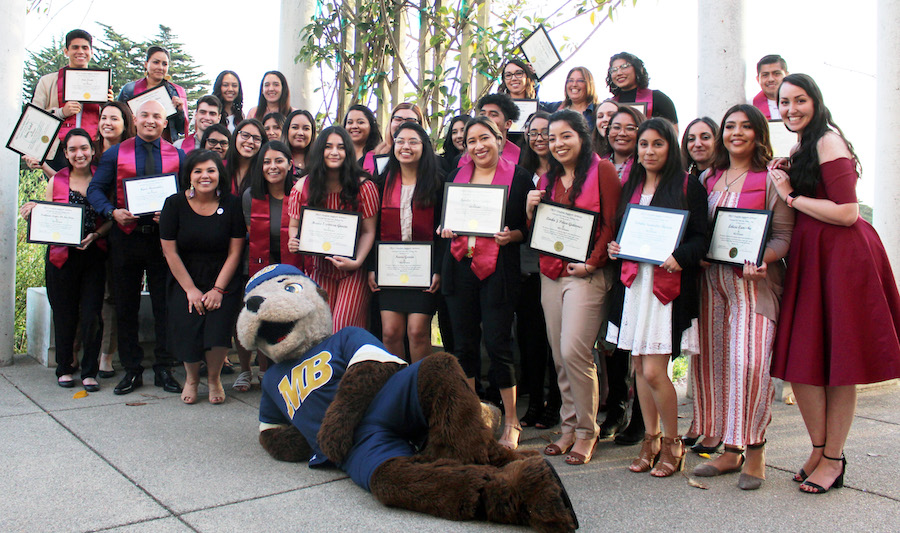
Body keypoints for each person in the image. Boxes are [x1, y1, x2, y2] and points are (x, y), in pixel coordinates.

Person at [769, 74, 900, 494]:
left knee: (839, 364)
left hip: (842, 257)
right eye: (784, 102)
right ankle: (819, 447)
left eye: (799, 100)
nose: (791, 109)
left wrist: (790, 196)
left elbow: (847, 212)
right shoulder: (804, 145)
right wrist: (787, 172)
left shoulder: (828, 141)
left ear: (815, 100)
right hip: (812, 256)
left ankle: (833, 458)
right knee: (805, 360)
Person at [691, 104, 794, 490]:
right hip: (711, 284)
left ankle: (756, 450)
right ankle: (730, 451)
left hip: (753, 285)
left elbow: (784, 237)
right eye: (730, 126)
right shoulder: (708, 178)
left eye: (745, 126)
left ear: (758, 134)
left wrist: (761, 259)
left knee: (748, 364)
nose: (736, 133)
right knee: (715, 365)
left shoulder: (770, 179)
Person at [606, 118, 707, 477]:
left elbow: (700, 238)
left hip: (666, 287)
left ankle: (673, 442)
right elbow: (622, 230)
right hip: (634, 285)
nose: (649, 151)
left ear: (671, 147)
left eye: (657, 144)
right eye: (644, 144)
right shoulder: (631, 183)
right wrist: (616, 247)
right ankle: (650, 438)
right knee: (638, 369)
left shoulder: (686, 185)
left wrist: (681, 256)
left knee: (653, 370)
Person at [525, 110, 621, 465]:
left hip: (587, 274)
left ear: (582, 136)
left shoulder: (603, 171)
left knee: (574, 351)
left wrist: (592, 263)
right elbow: (541, 231)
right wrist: (530, 208)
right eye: (552, 139)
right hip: (551, 273)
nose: (558, 144)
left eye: (566, 136)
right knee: (558, 353)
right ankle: (567, 427)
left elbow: (611, 223)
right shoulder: (547, 179)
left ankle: (586, 431)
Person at [439, 117, 533, 450]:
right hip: (459, 268)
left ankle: (511, 420)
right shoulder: (455, 177)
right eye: (471, 141)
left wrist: (513, 235)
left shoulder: (518, 178)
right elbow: (444, 222)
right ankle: (473, 415)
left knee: (498, 345)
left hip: (498, 271)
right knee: (463, 346)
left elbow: (526, 229)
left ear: (499, 138)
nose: (478, 146)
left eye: (485, 138)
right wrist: (446, 229)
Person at [86, 100, 185, 395]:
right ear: (135, 119)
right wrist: (111, 213)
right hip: (125, 237)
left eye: (157, 116)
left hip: (162, 241)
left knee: (164, 305)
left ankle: (164, 367)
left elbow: (187, 194)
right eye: (145, 115)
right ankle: (131, 369)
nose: (151, 121)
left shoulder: (177, 155)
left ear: (165, 122)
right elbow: (95, 190)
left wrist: (172, 212)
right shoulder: (117, 153)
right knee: (126, 304)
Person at [19, 129, 111, 391]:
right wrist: (33, 213)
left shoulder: (101, 178)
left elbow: (109, 219)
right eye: (72, 150)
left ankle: (90, 369)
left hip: (93, 252)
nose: (79, 154)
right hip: (61, 256)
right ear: (66, 154)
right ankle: (65, 366)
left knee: (93, 312)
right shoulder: (56, 180)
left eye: (84, 148)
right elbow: (48, 215)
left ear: (92, 150)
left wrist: (95, 234)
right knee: (64, 313)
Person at [160, 150, 244, 404]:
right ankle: (192, 379)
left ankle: (215, 378)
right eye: (198, 171)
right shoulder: (173, 204)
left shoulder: (232, 204)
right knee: (188, 324)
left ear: (220, 174)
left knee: (218, 328)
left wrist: (218, 289)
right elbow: (169, 251)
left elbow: (235, 251)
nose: (204, 176)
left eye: (211, 170)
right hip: (185, 276)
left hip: (223, 275)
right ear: (189, 175)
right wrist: (190, 289)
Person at [287, 126, 379, 331]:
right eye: (328, 147)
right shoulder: (302, 187)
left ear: (348, 152)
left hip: (353, 271)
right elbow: (294, 226)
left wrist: (356, 262)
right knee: (321, 330)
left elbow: (368, 231)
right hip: (319, 269)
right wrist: (294, 239)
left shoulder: (364, 187)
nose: (334, 152)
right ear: (320, 151)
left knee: (342, 328)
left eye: (341, 147)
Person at [366, 122, 444, 362]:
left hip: (424, 270)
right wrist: (372, 267)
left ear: (424, 147)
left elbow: (443, 232)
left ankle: (421, 390)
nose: (405, 147)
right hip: (390, 270)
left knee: (418, 331)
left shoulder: (438, 183)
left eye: (413, 142)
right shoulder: (381, 182)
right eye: (400, 141)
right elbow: (372, 229)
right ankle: (398, 388)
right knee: (390, 333)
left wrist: (438, 270)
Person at [233, 141, 300, 391]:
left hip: (292, 266)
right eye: (267, 162)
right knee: (255, 315)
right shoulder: (251, 196)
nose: (273, 167)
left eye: (279, 161)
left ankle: (283, 369)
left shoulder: (300, 192)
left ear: (290, 164)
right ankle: (251, 370)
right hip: (259, 264)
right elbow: (252, 233)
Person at [600, 104, 648, 446]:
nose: (620, 132)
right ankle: (616, 407)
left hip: (641, 260)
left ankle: (643, 418)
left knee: (643, 342)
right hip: (605, 257)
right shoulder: (598, 166)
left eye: (630, 127)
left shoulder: (646, 167)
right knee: (613, 339)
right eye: (615, 126)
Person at [514, 111, 560, 429]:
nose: (539, 137)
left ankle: (556, 402)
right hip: (526, 265)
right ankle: (533, 402)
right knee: (531, 339)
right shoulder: (519, 174)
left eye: (546, 132)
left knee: (556, 338)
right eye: (533, 132)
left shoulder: (565, 172)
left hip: (558, 264)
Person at [93, 101, 135, 378]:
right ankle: (75, 354)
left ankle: (106, 355)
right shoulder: (89, 149)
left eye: (114, 118)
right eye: (103, 117)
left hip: (120, 231)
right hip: (88, 228)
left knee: (112, 296)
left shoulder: (134, 152)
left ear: (125, 123)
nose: (108, 122)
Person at [30, 29, 111, 171]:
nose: (80, 51)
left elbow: (109, 121)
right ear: (66, 51)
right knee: (59, 192)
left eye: (85, 48)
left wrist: (108, 105)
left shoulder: (101, 82)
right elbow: (34, 118)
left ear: (91, 52)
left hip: (93, 149)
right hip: (57, 150)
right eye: (75, 47)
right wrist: (61, 112)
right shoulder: (47, 81)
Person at [117, 46, 188, 142]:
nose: (160, 67)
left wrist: (180, 111)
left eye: (164, 64)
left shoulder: (176, 92)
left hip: (166, 148)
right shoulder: (129, 90)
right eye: (156, 62)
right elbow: (119, 122)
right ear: (146, 64)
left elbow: (181, 130)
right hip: (133, 146)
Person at [606, 52, 678, 128]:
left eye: (624, 67)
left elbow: (673, 132)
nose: (619, 73)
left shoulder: (657, 98)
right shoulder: (609, 105)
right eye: (614, 70)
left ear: (637, 69)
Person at [458, 93, 521, 167]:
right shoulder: (462, 159)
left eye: (493, 115)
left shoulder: (521, 158)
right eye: (482, 114)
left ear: (508, 124)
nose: (486, 118)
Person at [225, 119, 265, 196]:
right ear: (236, 136)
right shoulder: (223, 167)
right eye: (245, 135)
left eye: (256, 138)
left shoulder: (264, 172)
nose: (250, 141)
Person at [752, 55, 788, 121]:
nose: (771, 79)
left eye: (777, 74)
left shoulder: (799, 102)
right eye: (765, 75)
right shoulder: (751, 106)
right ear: (758, 79)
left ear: (787, 76)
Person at [282, 110, 316, 177]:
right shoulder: (276, 157)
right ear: (287, 130)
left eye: (306, 128)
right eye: (295, 127)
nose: (300, 133)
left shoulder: (319, 160)